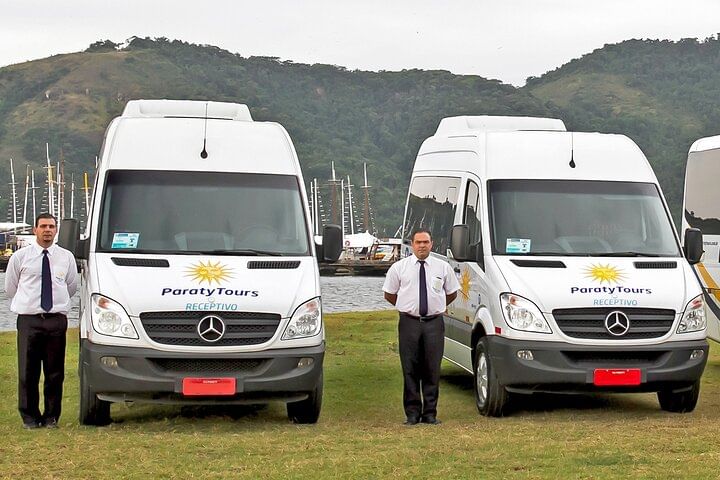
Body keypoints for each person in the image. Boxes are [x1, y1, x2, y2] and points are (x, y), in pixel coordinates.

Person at [4, 213, 78, 429]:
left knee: (55, 372)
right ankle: (29, 417)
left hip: (56, 321)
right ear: (35, 229)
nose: (47, 230)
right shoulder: (20, 257)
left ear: (56, 230)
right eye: (43, 226)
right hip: (29, 321)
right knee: (28, 371)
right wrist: (31, 304)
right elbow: (11, 288)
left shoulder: (66, 257)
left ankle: (51, 417)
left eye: (51, 226)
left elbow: (71, 286)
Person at [382, 229, 459, 425]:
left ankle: (430, 413)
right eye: (418, 242)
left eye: (425, 242)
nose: (422, 246)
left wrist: (436, 306)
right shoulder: (399, 268)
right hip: (409, 323)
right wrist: (407, 306)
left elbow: (452, 293)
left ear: (431, 244)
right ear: (412, 244)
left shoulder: (443, 267)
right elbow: (389, 294)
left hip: (434, 323)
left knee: (432, 368)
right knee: (410, 368)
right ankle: (412, 414)